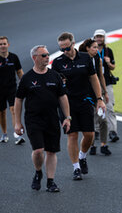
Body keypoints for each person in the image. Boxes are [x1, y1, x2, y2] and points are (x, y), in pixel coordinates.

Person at [14, 45, 71, 192]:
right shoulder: (27, 78)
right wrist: (17, 122)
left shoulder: (55, 76)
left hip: (52, 118)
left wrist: (67, 117)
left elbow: (63, 97)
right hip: (33, 119)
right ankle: (38, 172)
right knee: (38, 150)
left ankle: (50, 182)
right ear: (35, 58)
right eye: (44, 55)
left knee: (51, 151)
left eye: (47, 55)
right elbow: (18, 100)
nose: (47, 57)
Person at [52, 32, 106, 180]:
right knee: (72, 135)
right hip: (66, 104)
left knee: (89, 135)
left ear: (73, 43)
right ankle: (76, 168)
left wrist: (99, 99)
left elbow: (94, 78)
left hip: (84, 100)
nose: (65, 51)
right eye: (61, 49)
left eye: (67, 48)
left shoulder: (85, 58)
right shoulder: (57, 63)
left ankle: (82, 156)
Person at [78, 39, 111, 156]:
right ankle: (91, 145)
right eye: (94, 47)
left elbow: (100, 76)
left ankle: (103, 144)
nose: (97, 50)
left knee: (103, 119)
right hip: (85, 94)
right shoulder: (80, 59)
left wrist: (105, 92)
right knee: (89, 121)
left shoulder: (98, 59)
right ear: (87, 48)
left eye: (97, 47)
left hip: (97, 93)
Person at [93, 29, 119, 142]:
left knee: (109, 107)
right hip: (93, 83)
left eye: (101, 37)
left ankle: (112, 131)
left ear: (104, 38)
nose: (99, 39)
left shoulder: (108, 51)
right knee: (95, 108)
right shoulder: (91, 51)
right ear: (94, 38)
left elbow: (113, 67)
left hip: (107, 83)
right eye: (97, 37)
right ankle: (96, 130)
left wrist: (108, 62)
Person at [0, 36, 25, 144]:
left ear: (8, 45)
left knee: (13, 110)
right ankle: (4, 134)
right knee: (2, 112)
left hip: (12, 88)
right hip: (0, 90)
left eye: (4, 44)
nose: (2, 46)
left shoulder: (14, 57)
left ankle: (18, 136)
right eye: (0, 44)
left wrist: (25, 85)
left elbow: (19, 72)